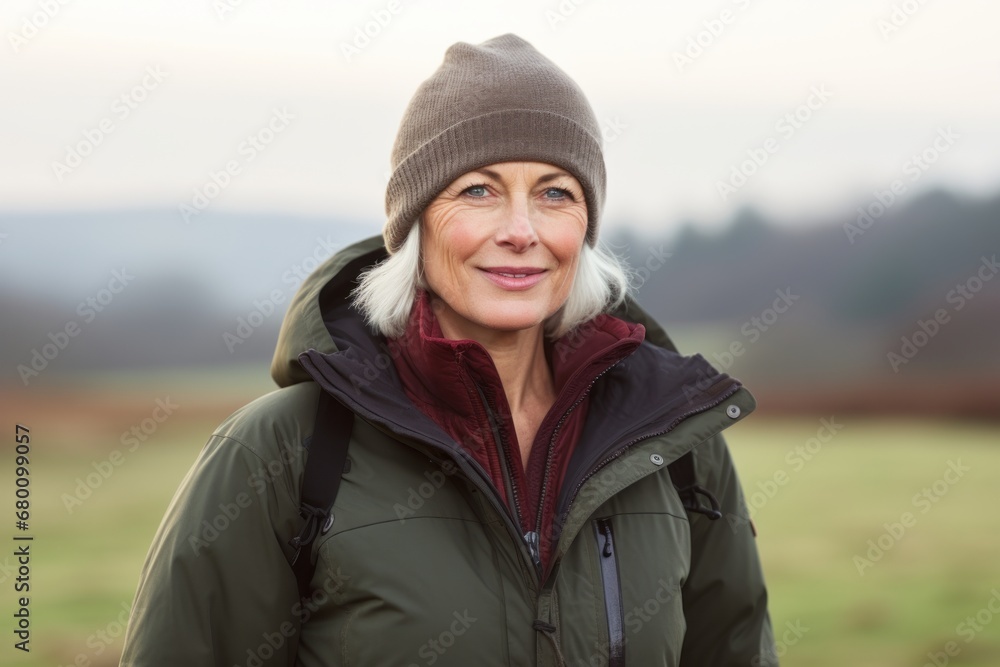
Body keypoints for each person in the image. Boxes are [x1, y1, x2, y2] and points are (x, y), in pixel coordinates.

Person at [120, 33, 778, 667]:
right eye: (478, 191)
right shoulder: (281, 455)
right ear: (414, 227)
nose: (521, 231)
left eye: (555, 192)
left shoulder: (676, 449)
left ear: (585, 227)